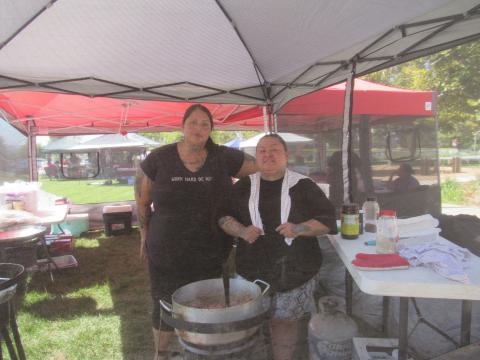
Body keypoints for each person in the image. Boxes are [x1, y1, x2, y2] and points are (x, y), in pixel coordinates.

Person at [134, 104, 257, 360]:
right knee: (164, 301)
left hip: (211, 248)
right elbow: (142, 202)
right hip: (166, 248)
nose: (198, 128)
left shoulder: (224, 157)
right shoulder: (159, 158)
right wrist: (144, 234)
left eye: (205, 124)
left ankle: (203, 352)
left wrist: (242, 204)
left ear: (212, 129)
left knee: (206, 301)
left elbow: (263, 170)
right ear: (182, 126)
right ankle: (163, 354)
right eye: (193, 122)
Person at [218, 134, 336, 360]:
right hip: (251, 269)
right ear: (256, 157)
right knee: (250, 322)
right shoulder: (243, 186)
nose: (267, 154)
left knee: (283, 322)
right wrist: (242, 231)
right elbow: (222, 217)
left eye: (274, 150)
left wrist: (299, 228)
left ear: (286, 156)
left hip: (295, 269)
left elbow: (327, 221)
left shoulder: (304, 185)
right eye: (262, 150)